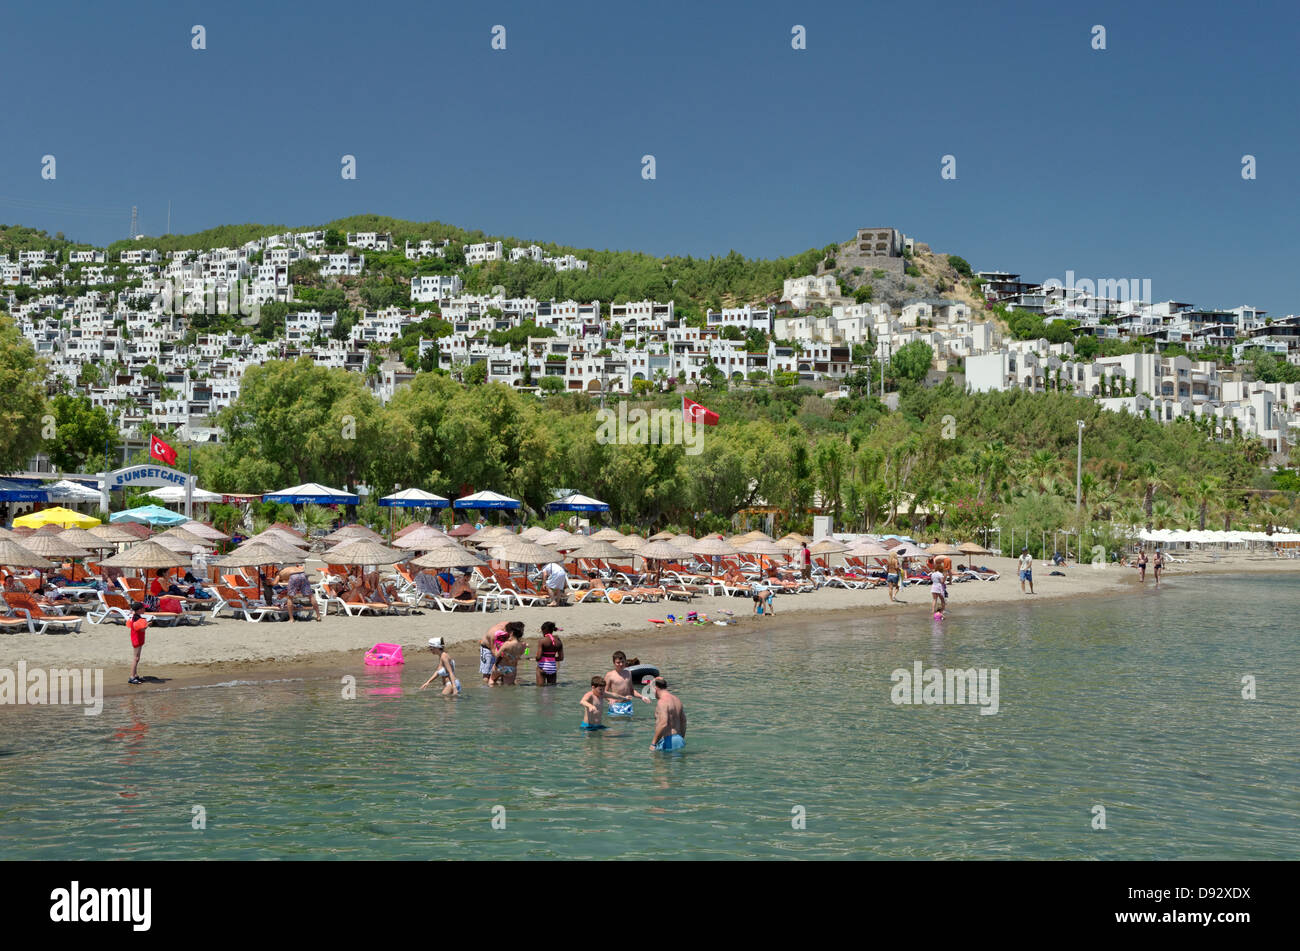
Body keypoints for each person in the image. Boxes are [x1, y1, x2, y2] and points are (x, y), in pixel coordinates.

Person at [604, 650, 653, 717]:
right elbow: (603, 692)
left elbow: (631, 691)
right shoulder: (609, 675)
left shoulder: (628, 673)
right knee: (616, 726)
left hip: (628, 705)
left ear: (625, 661)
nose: (621, 664)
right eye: (618, 662)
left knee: (629, 725)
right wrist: (610, 699)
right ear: (614, 663)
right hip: (616, 705)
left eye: (622, 662)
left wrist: (642, 697)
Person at [648, 677, 686, 752]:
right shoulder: (677, 700)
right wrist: (681, 738)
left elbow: (663, 723)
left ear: (655, 688)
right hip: (679, 739)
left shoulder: (662, 702)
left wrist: (653, 744)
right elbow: (684, 721)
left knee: (660, 763)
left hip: (668, 741)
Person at [535, 621, 564, 686]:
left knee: (540, 689)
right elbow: (561, 658)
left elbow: (538, 658)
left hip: (542, 667)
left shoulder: (542, 641)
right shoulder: (558, 641)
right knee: (552, 689)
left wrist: (536, 658)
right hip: (553, 667)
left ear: (545, 630)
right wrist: (551, 658)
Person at [127, 601, 148, 685]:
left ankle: (135, 675)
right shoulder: (138, 619)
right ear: (139, 610)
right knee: (135, 658)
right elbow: (141, 629)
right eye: (143, 608)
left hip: (137, 639)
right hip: (137, 640)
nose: (145, 609)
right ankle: (132, 677)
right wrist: (148, 624)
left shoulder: (134, 617)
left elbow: (129, 625)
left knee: (137, 658)